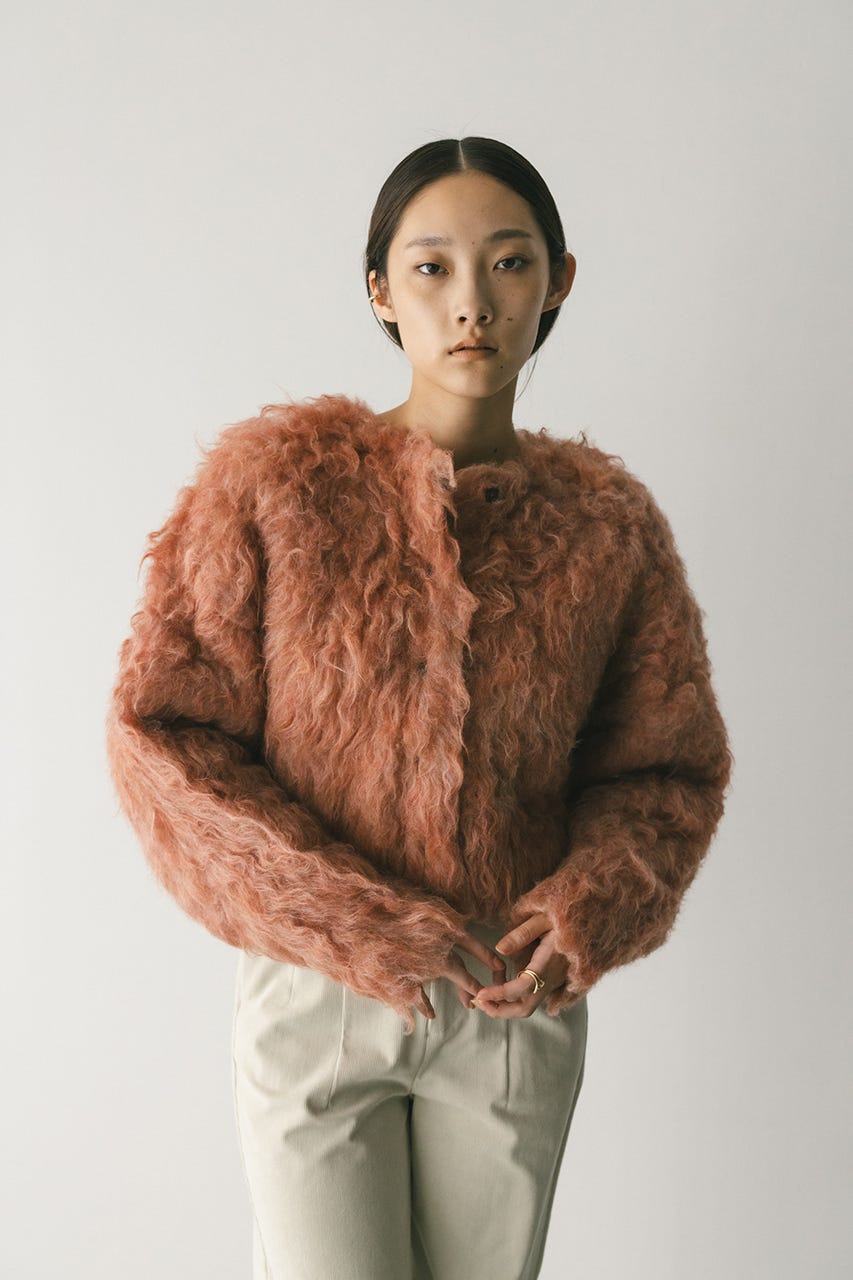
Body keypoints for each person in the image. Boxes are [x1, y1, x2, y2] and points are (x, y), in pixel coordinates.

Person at [105, 136, 733, 1280]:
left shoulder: (607, 527)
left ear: (557, 281)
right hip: (319, 988)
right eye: (432, 267)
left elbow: (663, 768)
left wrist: (587, 908)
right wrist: (339, 912)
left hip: (508, 996)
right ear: (380, 290)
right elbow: (165, 728)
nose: (472, 302)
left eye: (509, 262)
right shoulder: (277, 486)